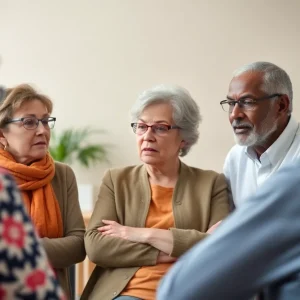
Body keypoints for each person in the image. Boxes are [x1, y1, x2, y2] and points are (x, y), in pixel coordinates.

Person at [82, 85, 229, 300]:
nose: (147, 136)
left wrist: (140, 233)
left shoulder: (212, 183)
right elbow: (96, 246)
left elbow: (220, 248)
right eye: (141, 127)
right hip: (127, 294)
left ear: (184, 138)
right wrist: (162, 253)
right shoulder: (116, 180)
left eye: (160, 128)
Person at [157, 160, 300, 300]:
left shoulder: (211, 182)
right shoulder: (237, 157)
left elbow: (177, 291)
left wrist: (144, 235)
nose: (147, 137)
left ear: (182, 141)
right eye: (139, 133)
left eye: (161, 133)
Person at [0, 84, 86, 298]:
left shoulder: (62, 174)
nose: (42, 130)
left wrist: (21, 246)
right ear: (2, 134)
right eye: (29, 122)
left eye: (46, 121)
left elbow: (77, 245)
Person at [220, 61, 300, 208]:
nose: (234, 115)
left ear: (281, 105)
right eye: (231, 103)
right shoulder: (236, 158)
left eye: (248, 102)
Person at [0, 168, 66, 299]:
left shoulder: (61, 173)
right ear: (3, 145)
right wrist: (30, 245)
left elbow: (78, 245)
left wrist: (33, 244)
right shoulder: (3, 183)